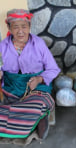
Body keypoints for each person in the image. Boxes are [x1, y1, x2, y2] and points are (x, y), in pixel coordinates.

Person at [0, 9, 60, 140]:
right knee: (13, 105)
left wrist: (39, 79)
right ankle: (29, 122)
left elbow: (53, 68)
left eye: (24, 26)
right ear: (9, 28)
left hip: (35, 89)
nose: (20, 31)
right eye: (15, 27)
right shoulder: (2, 46)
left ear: (29, 27)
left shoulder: (38, 44)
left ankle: (23, 120)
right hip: (10, 89)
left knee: (37, 104)